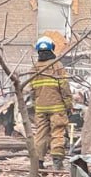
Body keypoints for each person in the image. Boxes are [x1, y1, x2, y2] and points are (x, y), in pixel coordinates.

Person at [31, 36, 72, 169]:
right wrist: (68, 104)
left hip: (40, 108)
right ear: (52, 49)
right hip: (57, 108)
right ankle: (57, 162)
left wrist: (36, 105)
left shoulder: (34, 68)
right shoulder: (57, 66)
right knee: (58, 132)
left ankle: (38, 162)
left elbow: (31, 90)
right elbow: (64, 87)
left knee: (40, 134)